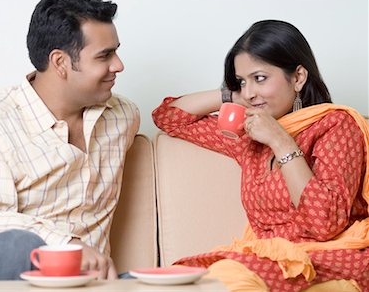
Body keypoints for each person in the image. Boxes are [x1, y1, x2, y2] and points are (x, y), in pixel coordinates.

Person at [153, 20, 368, 291]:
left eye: (260, 78)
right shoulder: (248, 136)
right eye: (243, 82)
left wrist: (280, 141)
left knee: (225, 277)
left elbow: (323, 224)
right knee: (186, 280)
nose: (250, 92)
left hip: (332, 257)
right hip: (270, 259)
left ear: (298, 78)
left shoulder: (336, 125)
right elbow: (170, 117)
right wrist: (231, 96)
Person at [0, 0, 140, 281]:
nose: (118, 65)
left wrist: (228, 94)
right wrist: (64, 245)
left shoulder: (121, 116)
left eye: (116, 52)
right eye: (104, 56)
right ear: (60, 62)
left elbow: (171, 114)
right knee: (17, 245)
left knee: (171, 281)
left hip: (80, 283)